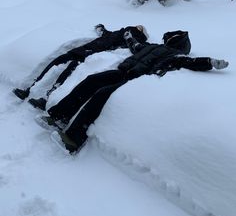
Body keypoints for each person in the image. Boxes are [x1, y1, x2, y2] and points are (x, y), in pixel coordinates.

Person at [37, 29, 229, 154]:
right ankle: (59, 116)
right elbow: (135, 46)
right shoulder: (152, 46)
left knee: (101, 94)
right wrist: (130, 37)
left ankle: (74, 137)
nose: (166, 39)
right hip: (121, 71)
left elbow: (191, 63)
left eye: (171, 38)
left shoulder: (176, 56)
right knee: (91, 81)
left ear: (178, 44)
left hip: (133, 79)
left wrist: (210, 62)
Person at [13, 24, 148, 110]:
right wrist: (102, 28)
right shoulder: (118, 33)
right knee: (55, 63)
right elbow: (106, 34)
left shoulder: (129, 39)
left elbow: (133, 47)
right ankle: (29, 89)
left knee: (66, 73)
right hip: (84, 48)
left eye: (139, 28)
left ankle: (48, 98)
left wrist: (131, 38)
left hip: (90, 53)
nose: (137, 26)